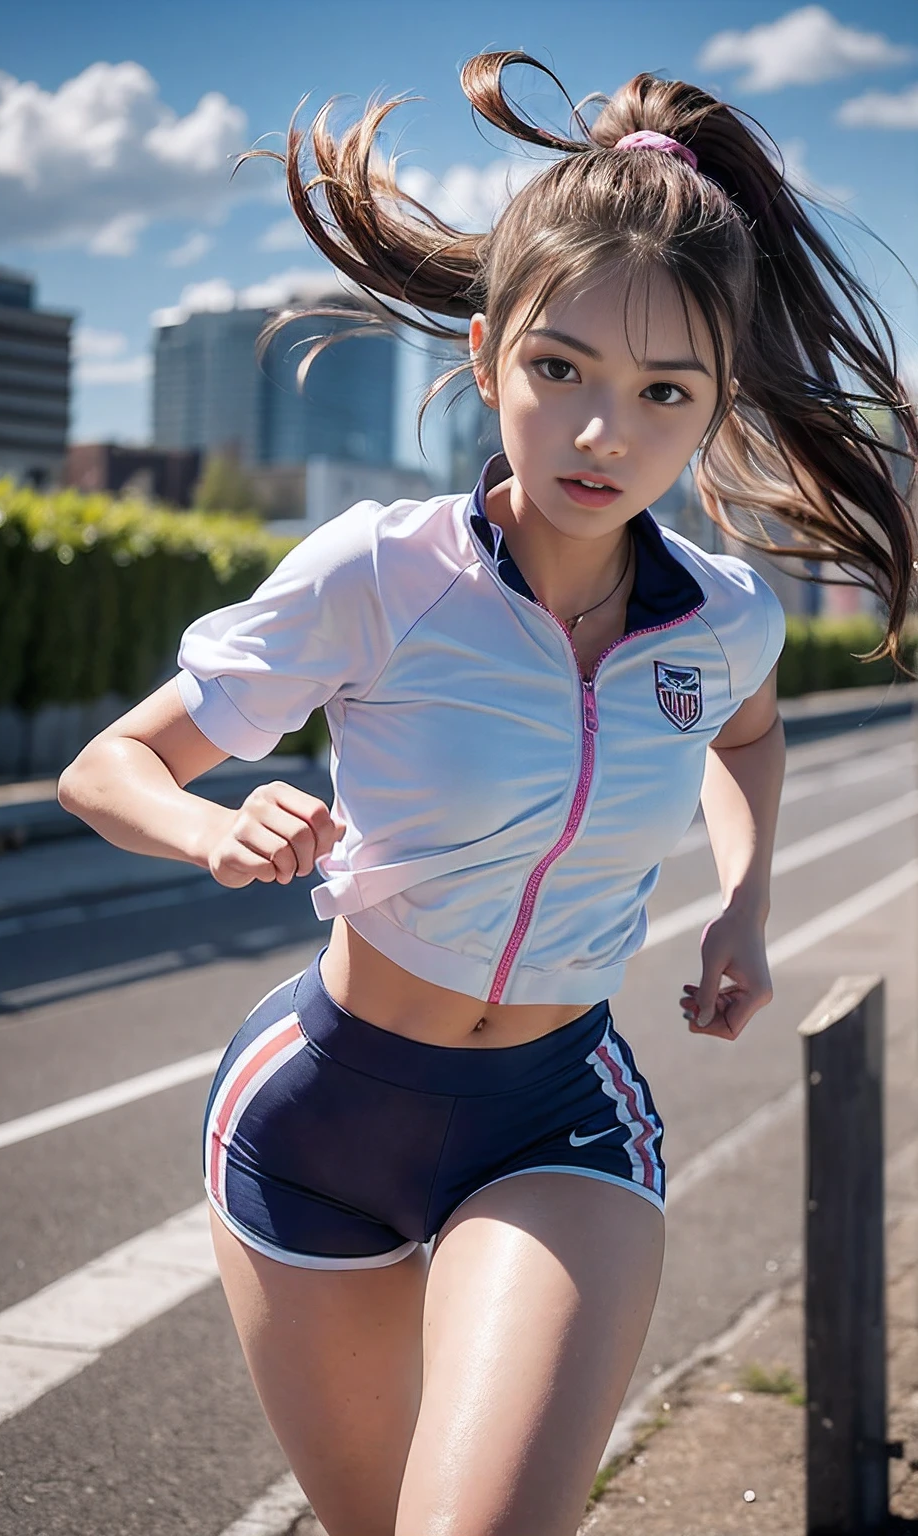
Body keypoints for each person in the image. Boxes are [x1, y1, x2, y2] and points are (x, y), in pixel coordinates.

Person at [58, 52, 917, 1536]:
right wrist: (216, 824)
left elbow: (750, 742)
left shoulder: (723, 622)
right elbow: (107, 767)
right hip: (314, 1122)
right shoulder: (380, 572)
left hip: (554, 1118)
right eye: (561, 370)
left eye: (666, 393)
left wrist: (747, 911)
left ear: (715, 406)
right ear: (483, 354)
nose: (606, 433)